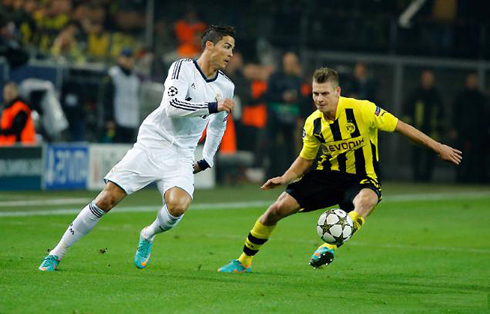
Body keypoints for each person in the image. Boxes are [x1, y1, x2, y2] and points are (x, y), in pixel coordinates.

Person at [218, 67, 462, 273]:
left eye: (324, 93)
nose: (319, 99)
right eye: (315, 93)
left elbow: (402, 127)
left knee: (366, 202)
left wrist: (437, 146)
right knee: (276, 210)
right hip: (327, 176)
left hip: (361, 176)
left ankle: (329, 247)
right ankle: (243, 261)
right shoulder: (313, 122)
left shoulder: (363, 110)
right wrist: (284, 177)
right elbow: (305, 159)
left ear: (337, 92)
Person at [39, 25, 236, 271]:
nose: (230, 54)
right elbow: (172, 107)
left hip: (181, 154)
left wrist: (207, 157)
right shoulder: (182, 68)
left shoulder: (226, 87)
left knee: (177, 207)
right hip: (153, 144)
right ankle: (56, 253)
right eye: (226, 47)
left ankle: (148, 233)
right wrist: (211, 106)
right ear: (209, 45)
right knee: (107, 198)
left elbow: (219, 124)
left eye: (232, 49)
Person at [265, 51, 303, 178]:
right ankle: (270, 174)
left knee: (290, 147)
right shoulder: (275, 77)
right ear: (283, 63)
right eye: (288, 62)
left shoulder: (297, 80)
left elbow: (302, 100)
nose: (290, 65)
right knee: (271, 145)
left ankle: (289, 174)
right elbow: (268, 96)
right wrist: (283, 97)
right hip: (275, 117)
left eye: (293, 63)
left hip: (290, 117)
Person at [403, 70, 445, 182]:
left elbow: (441, 114)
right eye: (426, 79)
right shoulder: (415, 94)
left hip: (432, 132)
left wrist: (440, 129)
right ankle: (416, 178)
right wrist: (409, 128)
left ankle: (427, 178)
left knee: (430, 157)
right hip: (417, 130)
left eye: (430, 79)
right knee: (416, 156)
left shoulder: (436, 96)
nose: (428, 82)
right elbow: (407, 111)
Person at [451, 73, 489, 183]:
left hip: (479, 134)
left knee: (478, 157)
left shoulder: (481, 98)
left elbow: (485, 116)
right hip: (463, 133)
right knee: (460, 156)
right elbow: (455, 113)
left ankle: (479, 179)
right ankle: (460, 178)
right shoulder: (461, 97)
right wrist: (454, 128)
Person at [104, 48, 141, 143]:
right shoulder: (113, 74)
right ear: (120, 59)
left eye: (130, 58)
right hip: (118, 120)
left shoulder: (135, 77)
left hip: (132, 120)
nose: (129, 61)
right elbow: (107, 98)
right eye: (126, 58)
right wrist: (109, 118)